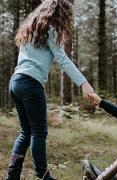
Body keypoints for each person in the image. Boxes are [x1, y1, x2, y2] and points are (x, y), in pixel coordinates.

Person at [7, 0, 94, 179]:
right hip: (31, 84)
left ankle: (12, 176)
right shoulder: (51, 29)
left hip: (15, 82)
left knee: (26, 131)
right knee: (39, 131)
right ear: (59, 14)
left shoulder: (31, 28)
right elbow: (63, 59)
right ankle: (43, 175)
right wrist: (84, 83)